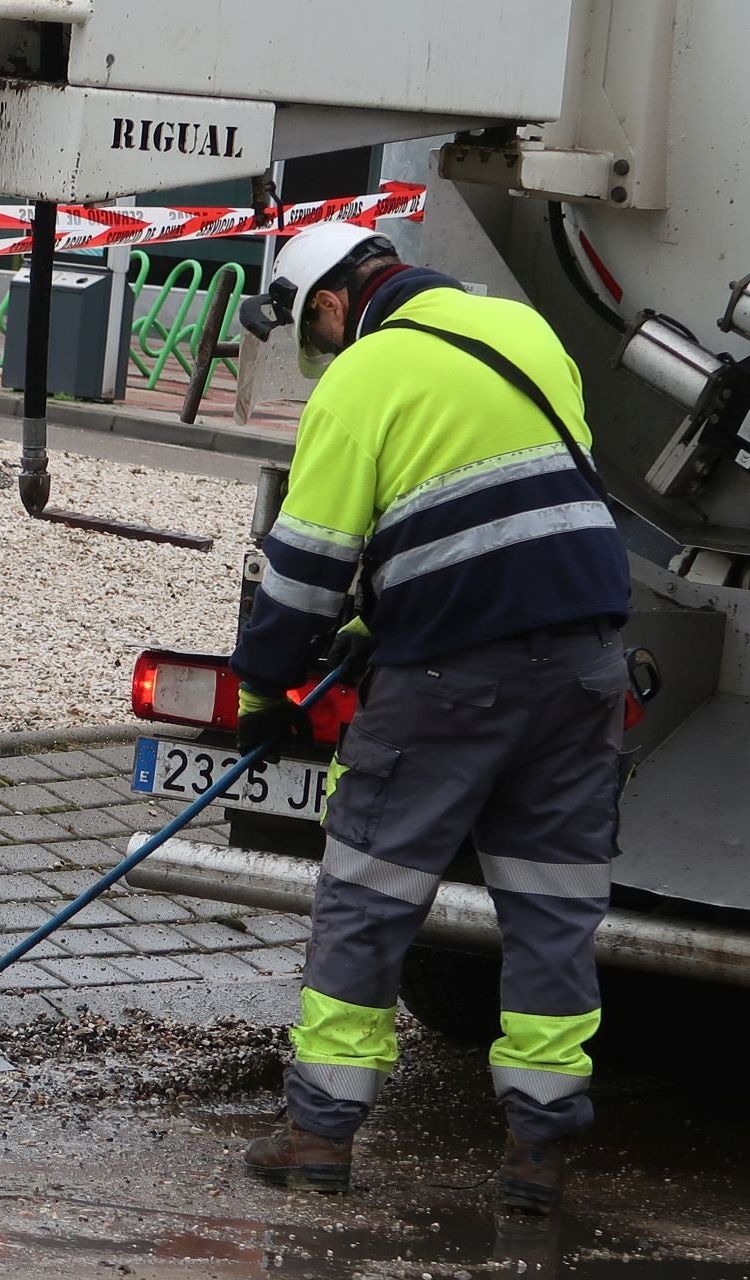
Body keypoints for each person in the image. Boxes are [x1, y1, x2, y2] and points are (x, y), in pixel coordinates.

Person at [228, 222, 630, 1213]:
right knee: (553, 908)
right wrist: (378, 616)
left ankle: (320, 1132)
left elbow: (305, 565)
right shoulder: (525, 332)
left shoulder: (362, 377)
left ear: (330, 303)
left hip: (449, 680)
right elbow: (511, 507)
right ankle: (537, 1152)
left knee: (369, 891)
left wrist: (260, 694)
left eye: (314, 332)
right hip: (585, 664)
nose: (321, 349)